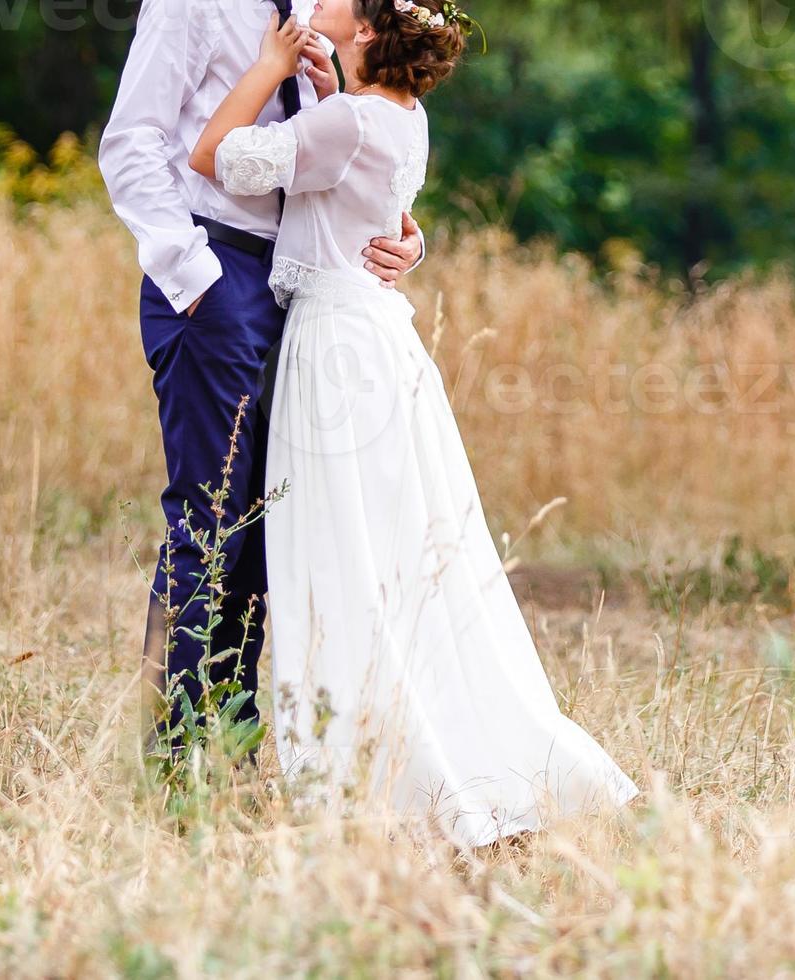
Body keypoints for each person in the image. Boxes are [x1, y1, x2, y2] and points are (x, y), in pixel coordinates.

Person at [191, 0, 639, 846]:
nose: (314, 2)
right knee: (397, 550)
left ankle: (371, 769)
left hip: (334, 354)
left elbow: (212, 157)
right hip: (379, 341)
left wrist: (270, 68)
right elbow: (369, 199)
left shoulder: (345, 120)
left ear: (363, 30)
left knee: (340, 552)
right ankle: (415, 741)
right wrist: (327, 94)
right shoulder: (403, 114)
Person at [100, 0, 424, 746]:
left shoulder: (321, 9)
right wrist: (193, 274)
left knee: (267, 530)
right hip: (218, 269)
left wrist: (407, 241)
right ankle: (177, 757)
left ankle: (233, 745)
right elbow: (132, 140)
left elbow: (355, 152)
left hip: (305, 293)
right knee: (209, 521)